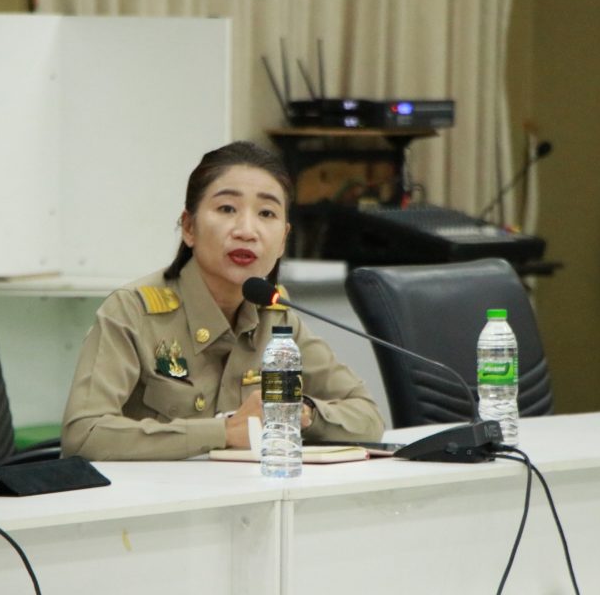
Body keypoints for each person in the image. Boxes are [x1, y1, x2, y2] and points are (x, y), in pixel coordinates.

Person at [63, 142, 386, 460]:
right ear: (189, 227)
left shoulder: (277, 315)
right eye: (227, 209)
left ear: (283, 240)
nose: (246, 231)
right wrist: (225, 432)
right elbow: (83, 435)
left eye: (266, 213)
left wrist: (300, 412)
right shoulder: (132, 311)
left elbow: (368, 418)